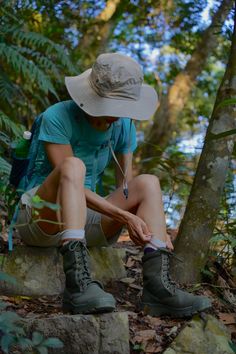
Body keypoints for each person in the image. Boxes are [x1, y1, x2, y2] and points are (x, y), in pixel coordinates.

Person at [16, 52, 211, 317]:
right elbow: (67, 179)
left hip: (86, 219)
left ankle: (158, 291)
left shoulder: (123, 126)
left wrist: (157, 232)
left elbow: (127, 188)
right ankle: (77, 287)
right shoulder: (57, 116)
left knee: (148, 183)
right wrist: (123, 215)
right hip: (42, 217)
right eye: (113, 106)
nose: (118, 116)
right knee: (73, 166)